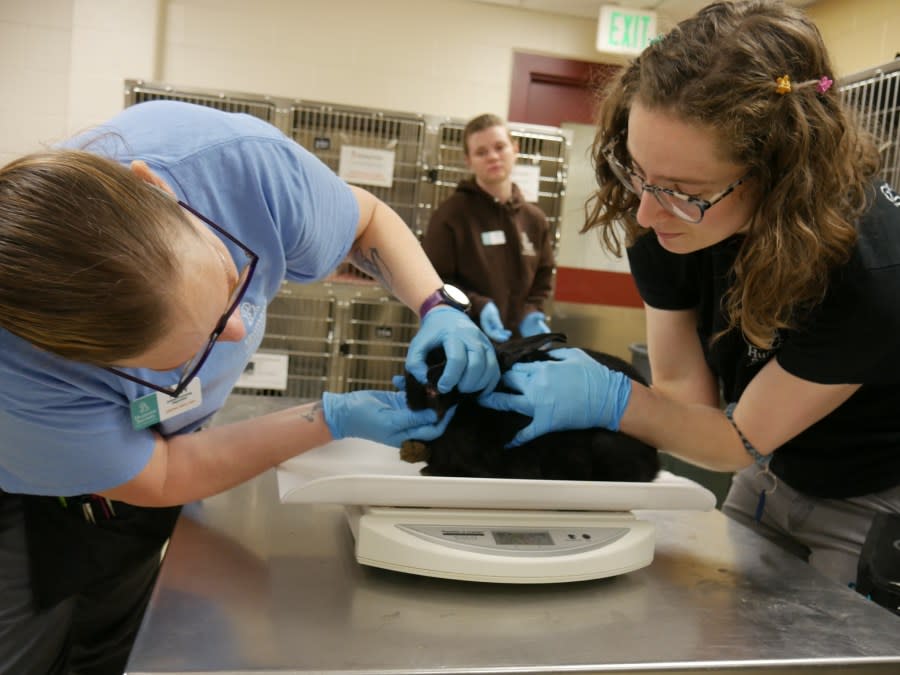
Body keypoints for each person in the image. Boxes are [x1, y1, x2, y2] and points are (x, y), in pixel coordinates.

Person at [0, 100, 499, 674]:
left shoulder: (236, 164)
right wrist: (327, 418)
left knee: (114, 640)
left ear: (156, 186)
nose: (238, 329)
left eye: (231, 279)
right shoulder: (22, 382)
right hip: (26, 487)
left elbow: (366, 222)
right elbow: (162, 473)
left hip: (129, 478)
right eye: (201, 344)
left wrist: (437, 305)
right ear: (81, 360)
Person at [482, 0, 900, 587]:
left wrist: (609, 398)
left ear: (779, 173)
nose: (649, 212)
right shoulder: (661, 206)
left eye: (682, 191)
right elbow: (685, 397)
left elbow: (734, 441)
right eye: (638, 172)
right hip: (770, 465)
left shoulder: (873, 274)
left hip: (875, 491)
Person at [422, 113, 556, 342]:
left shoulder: (535, 220)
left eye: (499, 147)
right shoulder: (451, 215)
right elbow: (433, 280)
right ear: (468, 160)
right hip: (464, 341)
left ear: (515, 149)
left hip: (517, 347)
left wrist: (532, 311)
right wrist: (477, 306)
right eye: (481, 152)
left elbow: (543, 278)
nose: (493, 157)